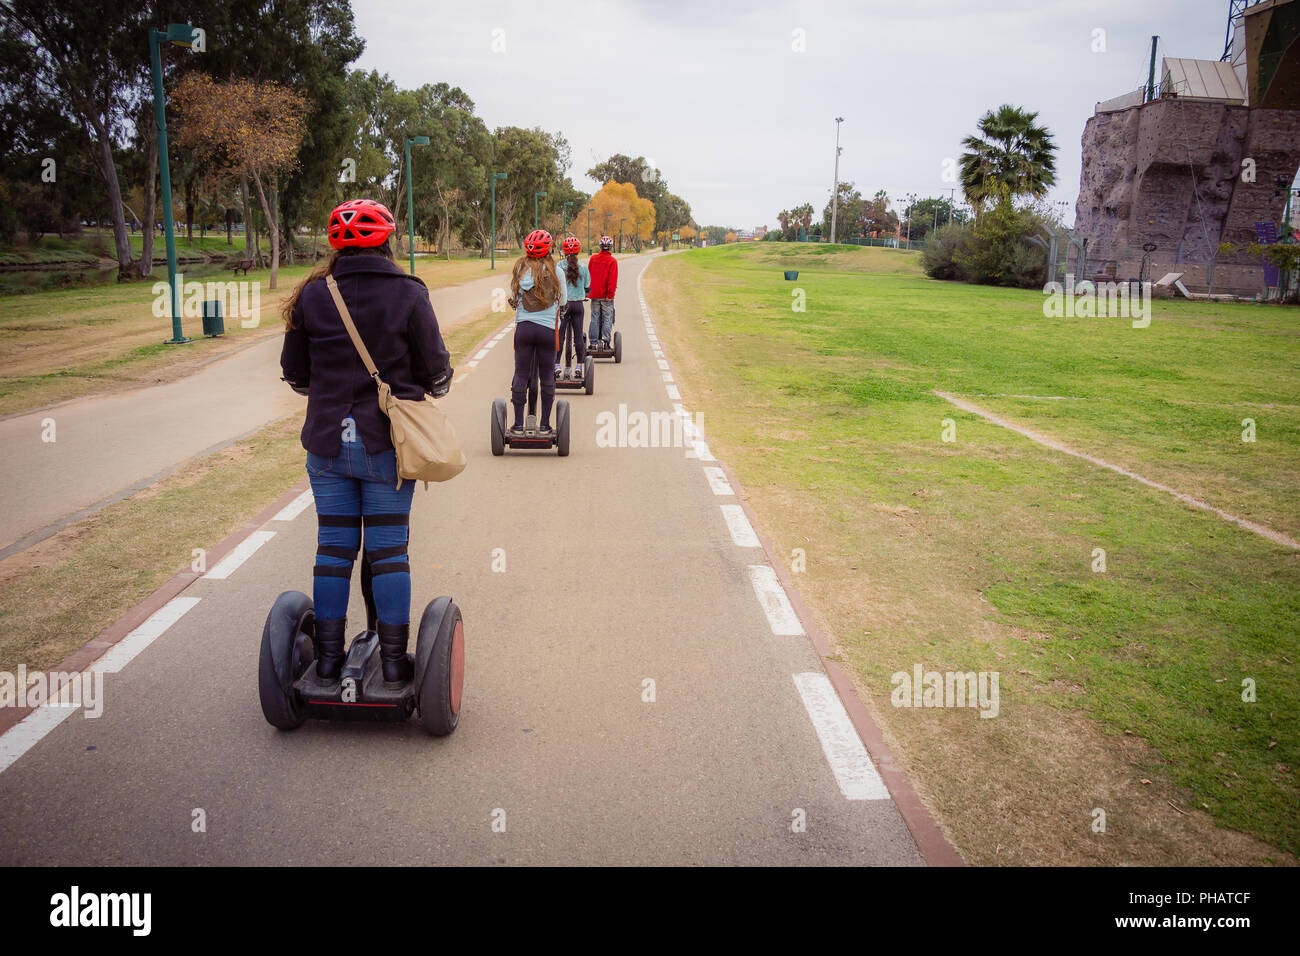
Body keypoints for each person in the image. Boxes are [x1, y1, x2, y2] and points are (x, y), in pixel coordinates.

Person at [279, 198, 452, 687]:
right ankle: (396, 666)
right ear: (388, 240)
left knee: (333, 549)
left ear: (335, 244)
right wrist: (431, 384)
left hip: (328, 444)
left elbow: (295, 374)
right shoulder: (409, 291)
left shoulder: (311, 295)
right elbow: (434, 368)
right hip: (385, 445)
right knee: (387, 550)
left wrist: (334, 386)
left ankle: (329, 662)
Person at [508, 229, 565, 436]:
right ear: (548, 250)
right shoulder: (557, 271)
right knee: (547, 376)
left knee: (521, 374)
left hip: (524, 329)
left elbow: (513, 299)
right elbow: (564, 299)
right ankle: (544, 425)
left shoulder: (520, 269)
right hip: (547, 331)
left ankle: (518, 425)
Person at [555, 235, 590, 379]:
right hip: (577, 306)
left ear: (563, 251)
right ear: (578, 251)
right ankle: (579, 366)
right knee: (578, 337)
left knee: (560, 336)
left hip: (564, 305)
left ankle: (556, 364)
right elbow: (588, 287)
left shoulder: (559, 267)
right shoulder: (583, 267)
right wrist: (582, 293)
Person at [587, 234, 618, 348]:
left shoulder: (593, 259)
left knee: (594, 317)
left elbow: (589, 275)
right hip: (606, 296)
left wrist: (588, 291)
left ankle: (593, 342)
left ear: (600, 247)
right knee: (607, 317)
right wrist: (610, 294)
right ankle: (605, 341)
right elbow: (612, 280)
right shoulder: (612, 261)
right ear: (610, 247)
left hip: (594, 294)